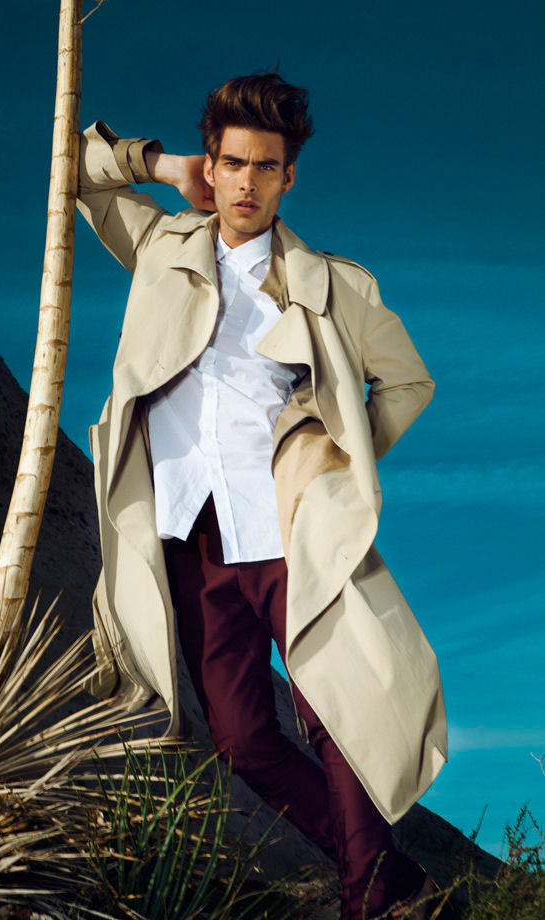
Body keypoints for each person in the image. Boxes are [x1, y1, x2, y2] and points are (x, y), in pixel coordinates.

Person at [77, 72, 449, 919]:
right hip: (187, 533)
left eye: (265, 167)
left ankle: (369, 901)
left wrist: (336, 457)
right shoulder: (161, 246)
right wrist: (164, 166)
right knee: (242, 742)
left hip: (287, 528)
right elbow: (74, 171)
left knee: (336, 714)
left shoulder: (335, 286)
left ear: (289, 178)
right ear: (213, 166)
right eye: (232, 163)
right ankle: (392, 882)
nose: (246, 182)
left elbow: (406, 382)